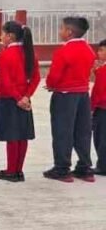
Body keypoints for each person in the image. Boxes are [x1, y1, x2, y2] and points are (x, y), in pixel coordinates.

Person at [44, 17, 97, 182]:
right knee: (83, 132)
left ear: (69, 32)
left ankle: (62, 168)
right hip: (83, 94)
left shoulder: (64, 51)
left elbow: (53, 76)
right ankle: (84, 167)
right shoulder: (88, 49)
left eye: (61, 29)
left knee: (62, 132)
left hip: (65, 95)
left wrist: (51, 85)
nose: (60, 31)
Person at [0, 21, 40, 182]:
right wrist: (26, 96)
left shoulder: (6, 55)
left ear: (10, 36)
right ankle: (19, 169)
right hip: (25, 99)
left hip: (9, 99)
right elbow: (36, 78)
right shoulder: (30, 53)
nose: (0, 37)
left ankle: (11, 170)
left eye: (2, 34)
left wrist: (18, 98)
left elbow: (5, 81)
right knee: (22, 135)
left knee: (12, 136)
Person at [92, 39, 106, 176]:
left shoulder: (103, 70)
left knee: (101, 138)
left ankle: (103, 166)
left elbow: (99, 91)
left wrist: (92, 107)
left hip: (102, 108)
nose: (98, 53)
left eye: (102, 50)